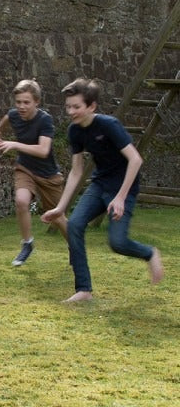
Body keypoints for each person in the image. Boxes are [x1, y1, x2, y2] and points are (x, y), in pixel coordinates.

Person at [41, 77, 164, 302]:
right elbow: (76, 171)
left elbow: (135, 160)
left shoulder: (109, 125)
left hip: (123, 188)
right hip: (99, 184)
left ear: (91, 106)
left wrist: (120, 198)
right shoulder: (74, 131)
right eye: (68, 107)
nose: (71, 111)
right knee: (75, 225)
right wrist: (60, 207)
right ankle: (84, 290)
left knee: (117, 243)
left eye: (76, 107)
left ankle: (150, 253)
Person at [0, 79, 67, 266]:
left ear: (36, 102)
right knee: (21, 201)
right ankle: (27, 244)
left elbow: (43, 150)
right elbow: (6, 120)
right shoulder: (14, 115)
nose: (21, 107)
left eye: (26, 102)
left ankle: (76, 248)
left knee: (58, 218)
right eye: (18, 102)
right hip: (25, 168)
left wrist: (14, 144)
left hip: (48, 175)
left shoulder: (45, 120)